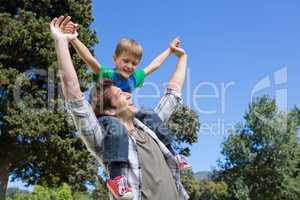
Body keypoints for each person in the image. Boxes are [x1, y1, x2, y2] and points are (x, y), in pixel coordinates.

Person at [50, 16, 189, 200]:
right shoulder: (105, 133)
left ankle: (174, 154)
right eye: (120, 94)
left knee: (148, 113)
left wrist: (176, 53)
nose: (130, 66)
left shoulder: (147, 125)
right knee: (116, 129)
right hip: (112, 126)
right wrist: (69, 40)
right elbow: (83, 71)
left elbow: (167, 83)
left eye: (134, 63)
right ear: (115, 59)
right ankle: (117, 179)